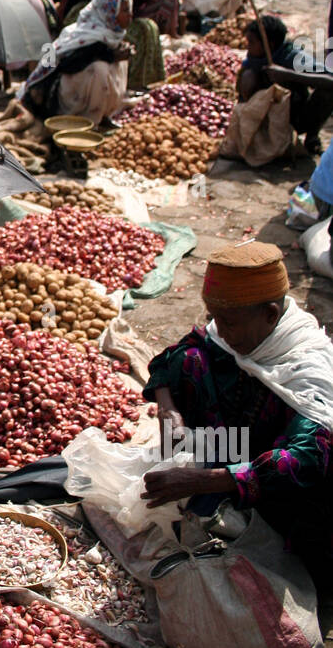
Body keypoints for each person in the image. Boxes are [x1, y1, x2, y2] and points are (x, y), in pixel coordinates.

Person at [141, 242, 333, 586]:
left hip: (292, 497)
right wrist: (168, 410)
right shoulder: (229, 333)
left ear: (271, 315)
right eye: (212, 317)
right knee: (192, 362)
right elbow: (178, 354)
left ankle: (264, 540)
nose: (221, 330)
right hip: (240, 449)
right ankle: (220, 491)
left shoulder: (308, 368)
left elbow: (306, 458)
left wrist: (203, 479)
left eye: (228, 321)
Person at [20, 0, 133, 126]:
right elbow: (67, 64)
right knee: (99, 69)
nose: (130, 15)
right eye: (125, 10)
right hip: (68, 92)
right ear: (110, 13)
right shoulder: (87, 34)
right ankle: (87, 119)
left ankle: (104, 114)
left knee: (119, 62)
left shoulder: (113, 32)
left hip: (86, 88)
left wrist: (116, 55)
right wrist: (109, 56)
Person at [238, 15, 333, 156]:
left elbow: (330, 79)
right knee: (248, 77)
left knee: (328, 92)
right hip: (265, 119)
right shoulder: (253, 60)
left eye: (251, 42)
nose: (247, 46)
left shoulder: (293, 57)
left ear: (269, 44)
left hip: (295, 117)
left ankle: (312, 137)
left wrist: (287, 75)